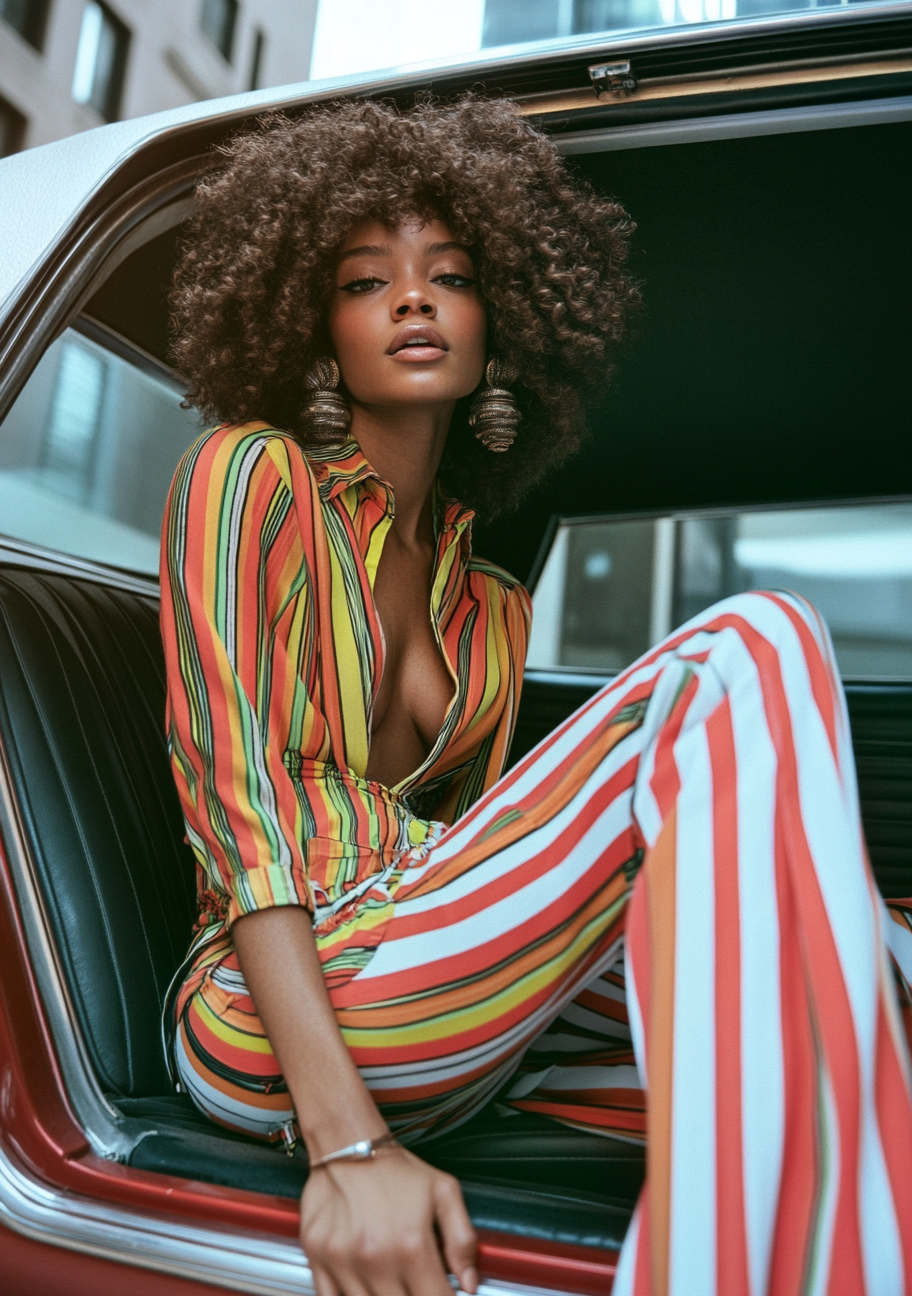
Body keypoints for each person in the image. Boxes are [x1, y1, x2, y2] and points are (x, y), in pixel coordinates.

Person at [160, 96, 912, 1296]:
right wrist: (350, 1147)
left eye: (446, 275)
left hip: (442, 977)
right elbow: (241, 816)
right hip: (274, 1006)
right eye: (366, 280)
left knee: (860, 991)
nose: (412, 298)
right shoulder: (251, 479)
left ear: (497, 321)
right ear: (316, 326)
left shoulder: (490, 602)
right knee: (752, 645)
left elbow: (470, 846)